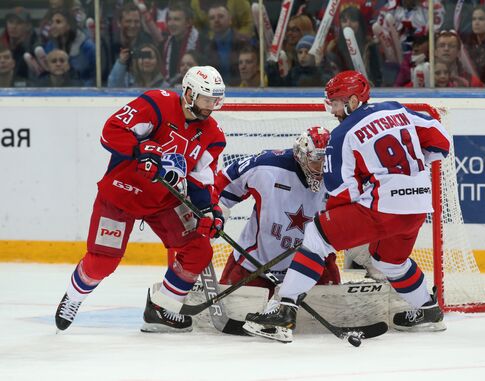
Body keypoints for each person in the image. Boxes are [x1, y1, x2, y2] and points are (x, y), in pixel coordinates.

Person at [243, 70, 451, 343]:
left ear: (353, 101)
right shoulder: (397, 110)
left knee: (317, 235)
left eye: (337, 102)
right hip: (418, 204)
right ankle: (428, 310)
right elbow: (441, 142)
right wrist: (406, 170)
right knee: (389, 261)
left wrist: (340, 219)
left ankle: (284, 310)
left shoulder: (342, 134)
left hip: (381, 208)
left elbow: (341, 192)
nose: (333, 110)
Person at [55, 66, 227, 333]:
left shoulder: (213, 136)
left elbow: (201, 180)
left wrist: (210, 210)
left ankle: (160, 309)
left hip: (164, 201)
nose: (212, 106)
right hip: (122, 193)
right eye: (207, 99)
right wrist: (138, 149)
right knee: (102, 262)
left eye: (216, 100)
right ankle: (73, 298)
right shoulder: (156, 104)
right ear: (190, 93)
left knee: (199, 249)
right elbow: (111, 131)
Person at [216, 127, 340, 298]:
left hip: (312, 267)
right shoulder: (267, 167)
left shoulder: (342, 174)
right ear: (302, 156)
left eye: (327, 161)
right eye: (316, 160)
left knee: (330, 313)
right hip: (254, 265)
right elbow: (223, 185)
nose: (322, 168)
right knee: (232, 317)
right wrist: (213, 212)